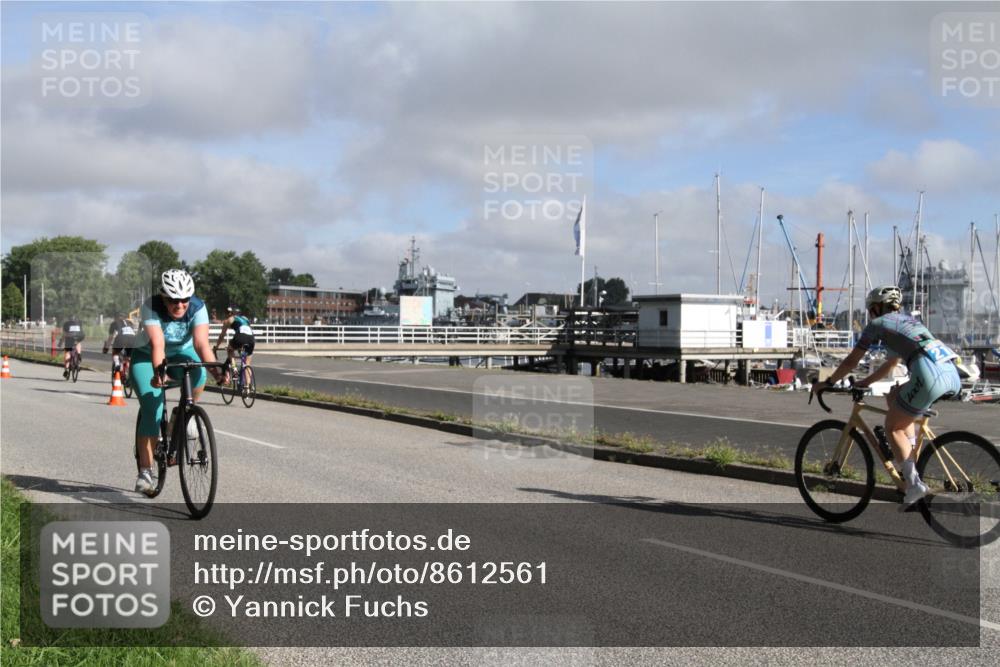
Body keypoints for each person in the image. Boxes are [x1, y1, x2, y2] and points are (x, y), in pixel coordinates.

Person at [811, 285, 961, 506]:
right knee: (894, 394)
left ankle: (914, 485)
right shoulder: (908, 322)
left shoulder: (878, 324)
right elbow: (891, 364)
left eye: (871, 309)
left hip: (929, 375)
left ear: (877, 308)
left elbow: (852, 361)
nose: (870, 313)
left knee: (893, 428)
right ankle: (909, 458)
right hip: (950, 373)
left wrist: (828, 382)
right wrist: (866, 382)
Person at [131, 269, 224, 496]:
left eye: (184, 299)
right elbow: (158, 345)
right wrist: (159, 373)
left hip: (182, 352)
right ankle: (145, 471)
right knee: (153, 408)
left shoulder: (197, 307)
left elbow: (201, 345)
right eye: (174, 300)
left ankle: (184, 415)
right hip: (147, 356)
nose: (180, 305)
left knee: (199, 374)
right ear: (164, 297)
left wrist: (216, 370)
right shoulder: (151, 306)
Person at [214, 306, 255, 386]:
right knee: (247, 364)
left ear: (229, 314)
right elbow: (247, 329)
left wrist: (217, 346)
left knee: (230, 349)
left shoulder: (228, 320)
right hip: (251, 339)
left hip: (240, 337)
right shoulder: (245, 318)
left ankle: (235, 370)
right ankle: (248, 387)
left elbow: (222, 336)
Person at [102, 312, 137, 381]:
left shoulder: (114, 323)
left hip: (121, 338)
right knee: (128, 357)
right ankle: (128, 372)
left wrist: (106, 348)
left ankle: (117, 364)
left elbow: (111, 337)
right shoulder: (130, 322)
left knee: (115, 352)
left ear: (116, 317)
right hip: (133, 339)